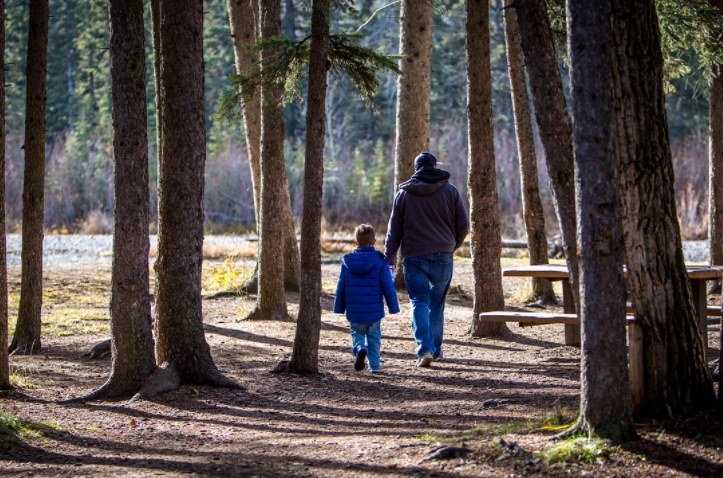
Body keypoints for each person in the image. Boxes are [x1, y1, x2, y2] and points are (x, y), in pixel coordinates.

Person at [385, 152, 469, 367]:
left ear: (416, 169)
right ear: (434, 167)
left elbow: (393, 231)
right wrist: (452, 245)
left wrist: (389, 257)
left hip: (414, 256)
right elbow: (463, 225)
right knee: (437, 304)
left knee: (419, 303)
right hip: (443, 254)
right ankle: (436, 350)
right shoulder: (450, 191)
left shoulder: (403, 194)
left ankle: (425, 350)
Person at [333, 224, 400, 372]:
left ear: (355, 243)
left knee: (357, 333)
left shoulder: (347, 263)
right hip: (374, 311)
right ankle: (374, 366)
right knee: (374, 337)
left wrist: (339, 307)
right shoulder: (381, 262)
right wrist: (393, 307)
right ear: (374, 242)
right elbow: (387, 286)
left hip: (354, 310)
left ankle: (359, 349)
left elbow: (341, 286)